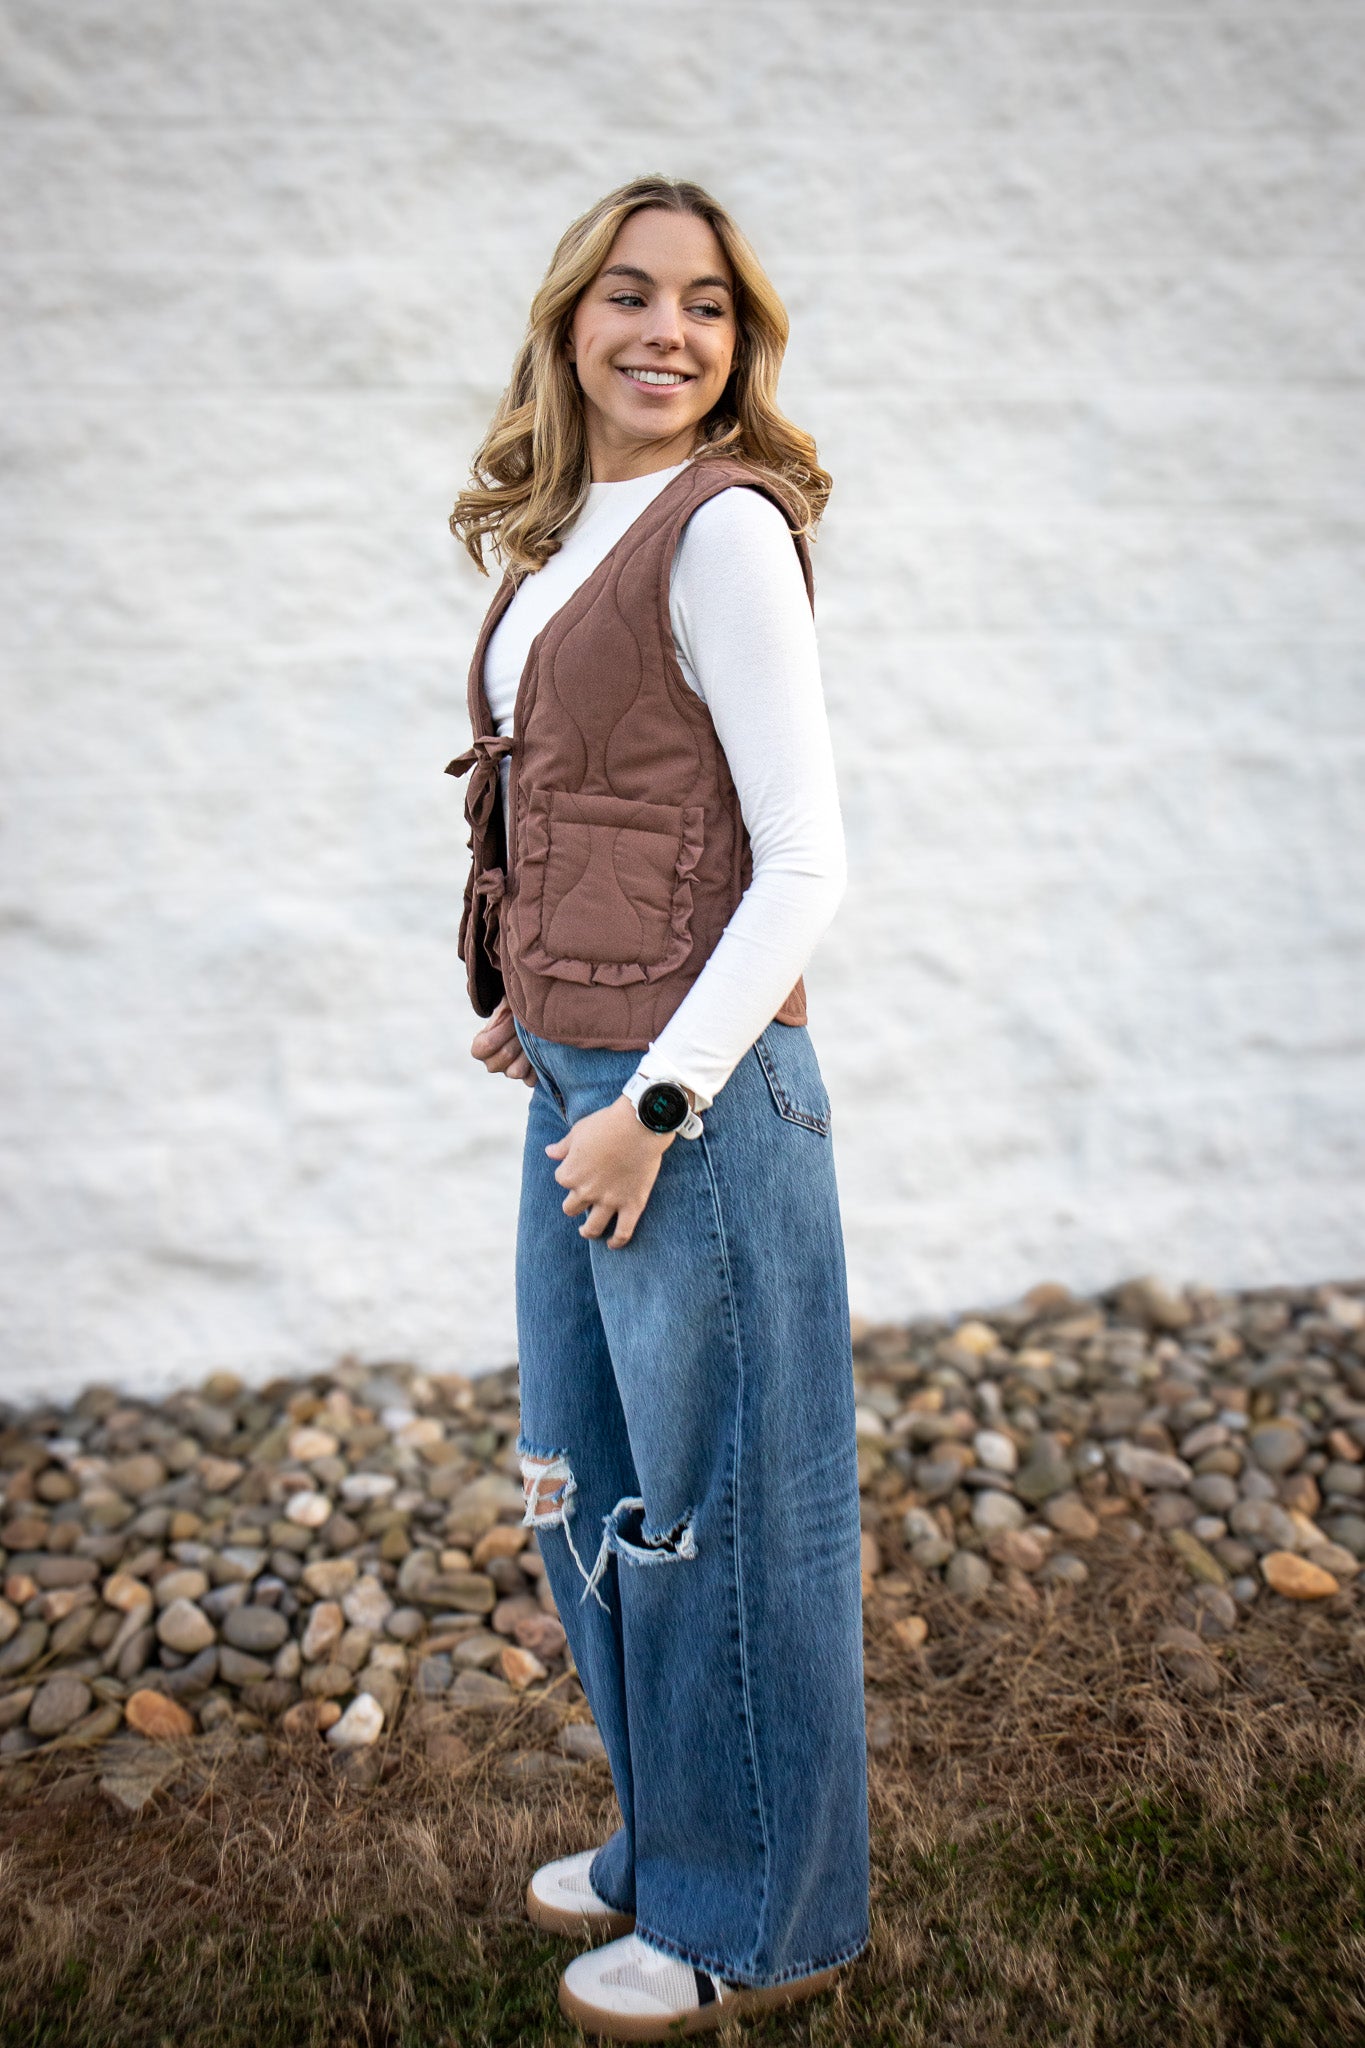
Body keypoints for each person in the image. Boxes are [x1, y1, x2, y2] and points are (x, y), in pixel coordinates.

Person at [447, 174, 869, 2041]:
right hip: (586, 1073)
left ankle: (755, 1922)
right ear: (569, 321)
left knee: (725, 1514)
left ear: (737, 341)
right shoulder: (570, 534)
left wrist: (658, 1099)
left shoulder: (724, 530)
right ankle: (666, 1841)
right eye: (630, 294)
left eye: (706, 305)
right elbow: (595, 810)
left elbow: (802, 865)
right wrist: (530, 996)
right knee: (587, 1490)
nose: (666, 332)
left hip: (688, 1108)